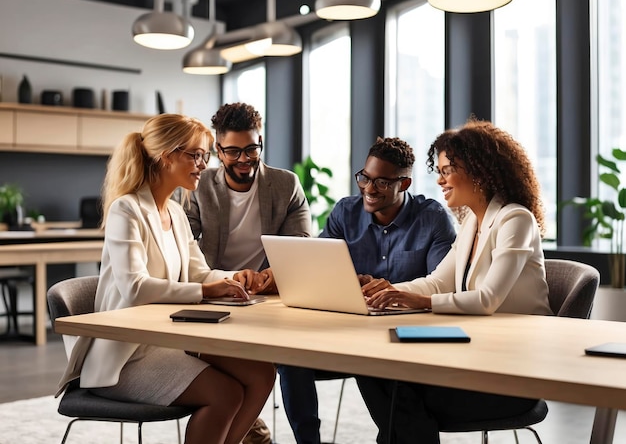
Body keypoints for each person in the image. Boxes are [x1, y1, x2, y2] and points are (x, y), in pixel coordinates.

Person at [56, 114, 276, 444]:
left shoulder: (174, 211)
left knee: (261, 374)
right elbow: (134, 287)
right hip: (126, 356)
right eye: (195, 155)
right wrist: (205, 291)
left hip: (167, 342)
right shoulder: (126, 210)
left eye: (205, 156)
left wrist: (235, 277)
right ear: (167, 156)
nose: (203, 164)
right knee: (224, 395)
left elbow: (199, 272)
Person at [357, 119, 553, 444]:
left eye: (447, 170)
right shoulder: (472, 225)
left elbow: (487, 298)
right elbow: (436, 283)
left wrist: (417, 301)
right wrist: (389, 291)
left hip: (513, 372)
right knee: (373, 370)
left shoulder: (515, 220)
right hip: (476, 355)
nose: (440, 179)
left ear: (478, 171)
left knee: (397, 395)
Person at [277, 137, 457, 444]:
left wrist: (393, 291)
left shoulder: (432, 219)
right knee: (290, 354)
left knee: (378, 364)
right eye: (365, 178)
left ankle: (393, 437)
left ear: (405, 183)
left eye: (382, 183)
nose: (369, 190)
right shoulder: (345, 213)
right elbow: (316, 269)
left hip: (404, 334)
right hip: (347, 329)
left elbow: (442, 285)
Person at [182, 102, 311, 295]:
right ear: (218, 150)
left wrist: (275, 274)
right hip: (216, 290)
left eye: (251, 149)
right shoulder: (199, 186)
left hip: (268, 293)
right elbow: (183, 246)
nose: (243, 159)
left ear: (260, 141)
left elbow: (300, 247)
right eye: (233, 152)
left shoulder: (287, 185)